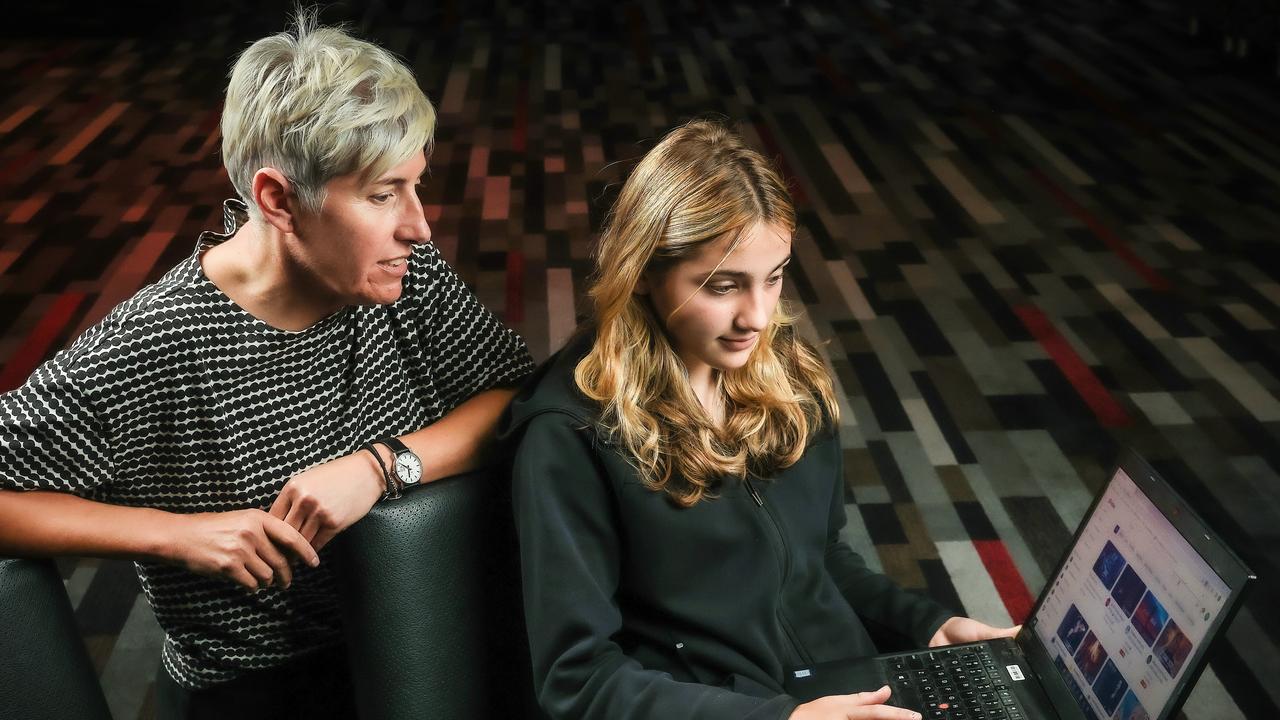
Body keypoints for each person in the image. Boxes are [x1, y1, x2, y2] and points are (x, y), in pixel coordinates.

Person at [0, 12, 532, 718]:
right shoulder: (150, 345)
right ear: (278, 200)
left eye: (415, 185)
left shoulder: (404, 270)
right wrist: (175, 534)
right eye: (381, 195)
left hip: (429, 644)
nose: (418, 224)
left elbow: (516, 397)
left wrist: (379, 466)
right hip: (261, 694)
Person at [503, 120, 1017, 720]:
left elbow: (818, 563)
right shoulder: (569, 435)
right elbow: (579, 679)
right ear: (642, 273)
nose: (757, 316)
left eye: (773, 278)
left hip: (844, 693)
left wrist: (929, 628)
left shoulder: (790, 381)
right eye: (723, 286)